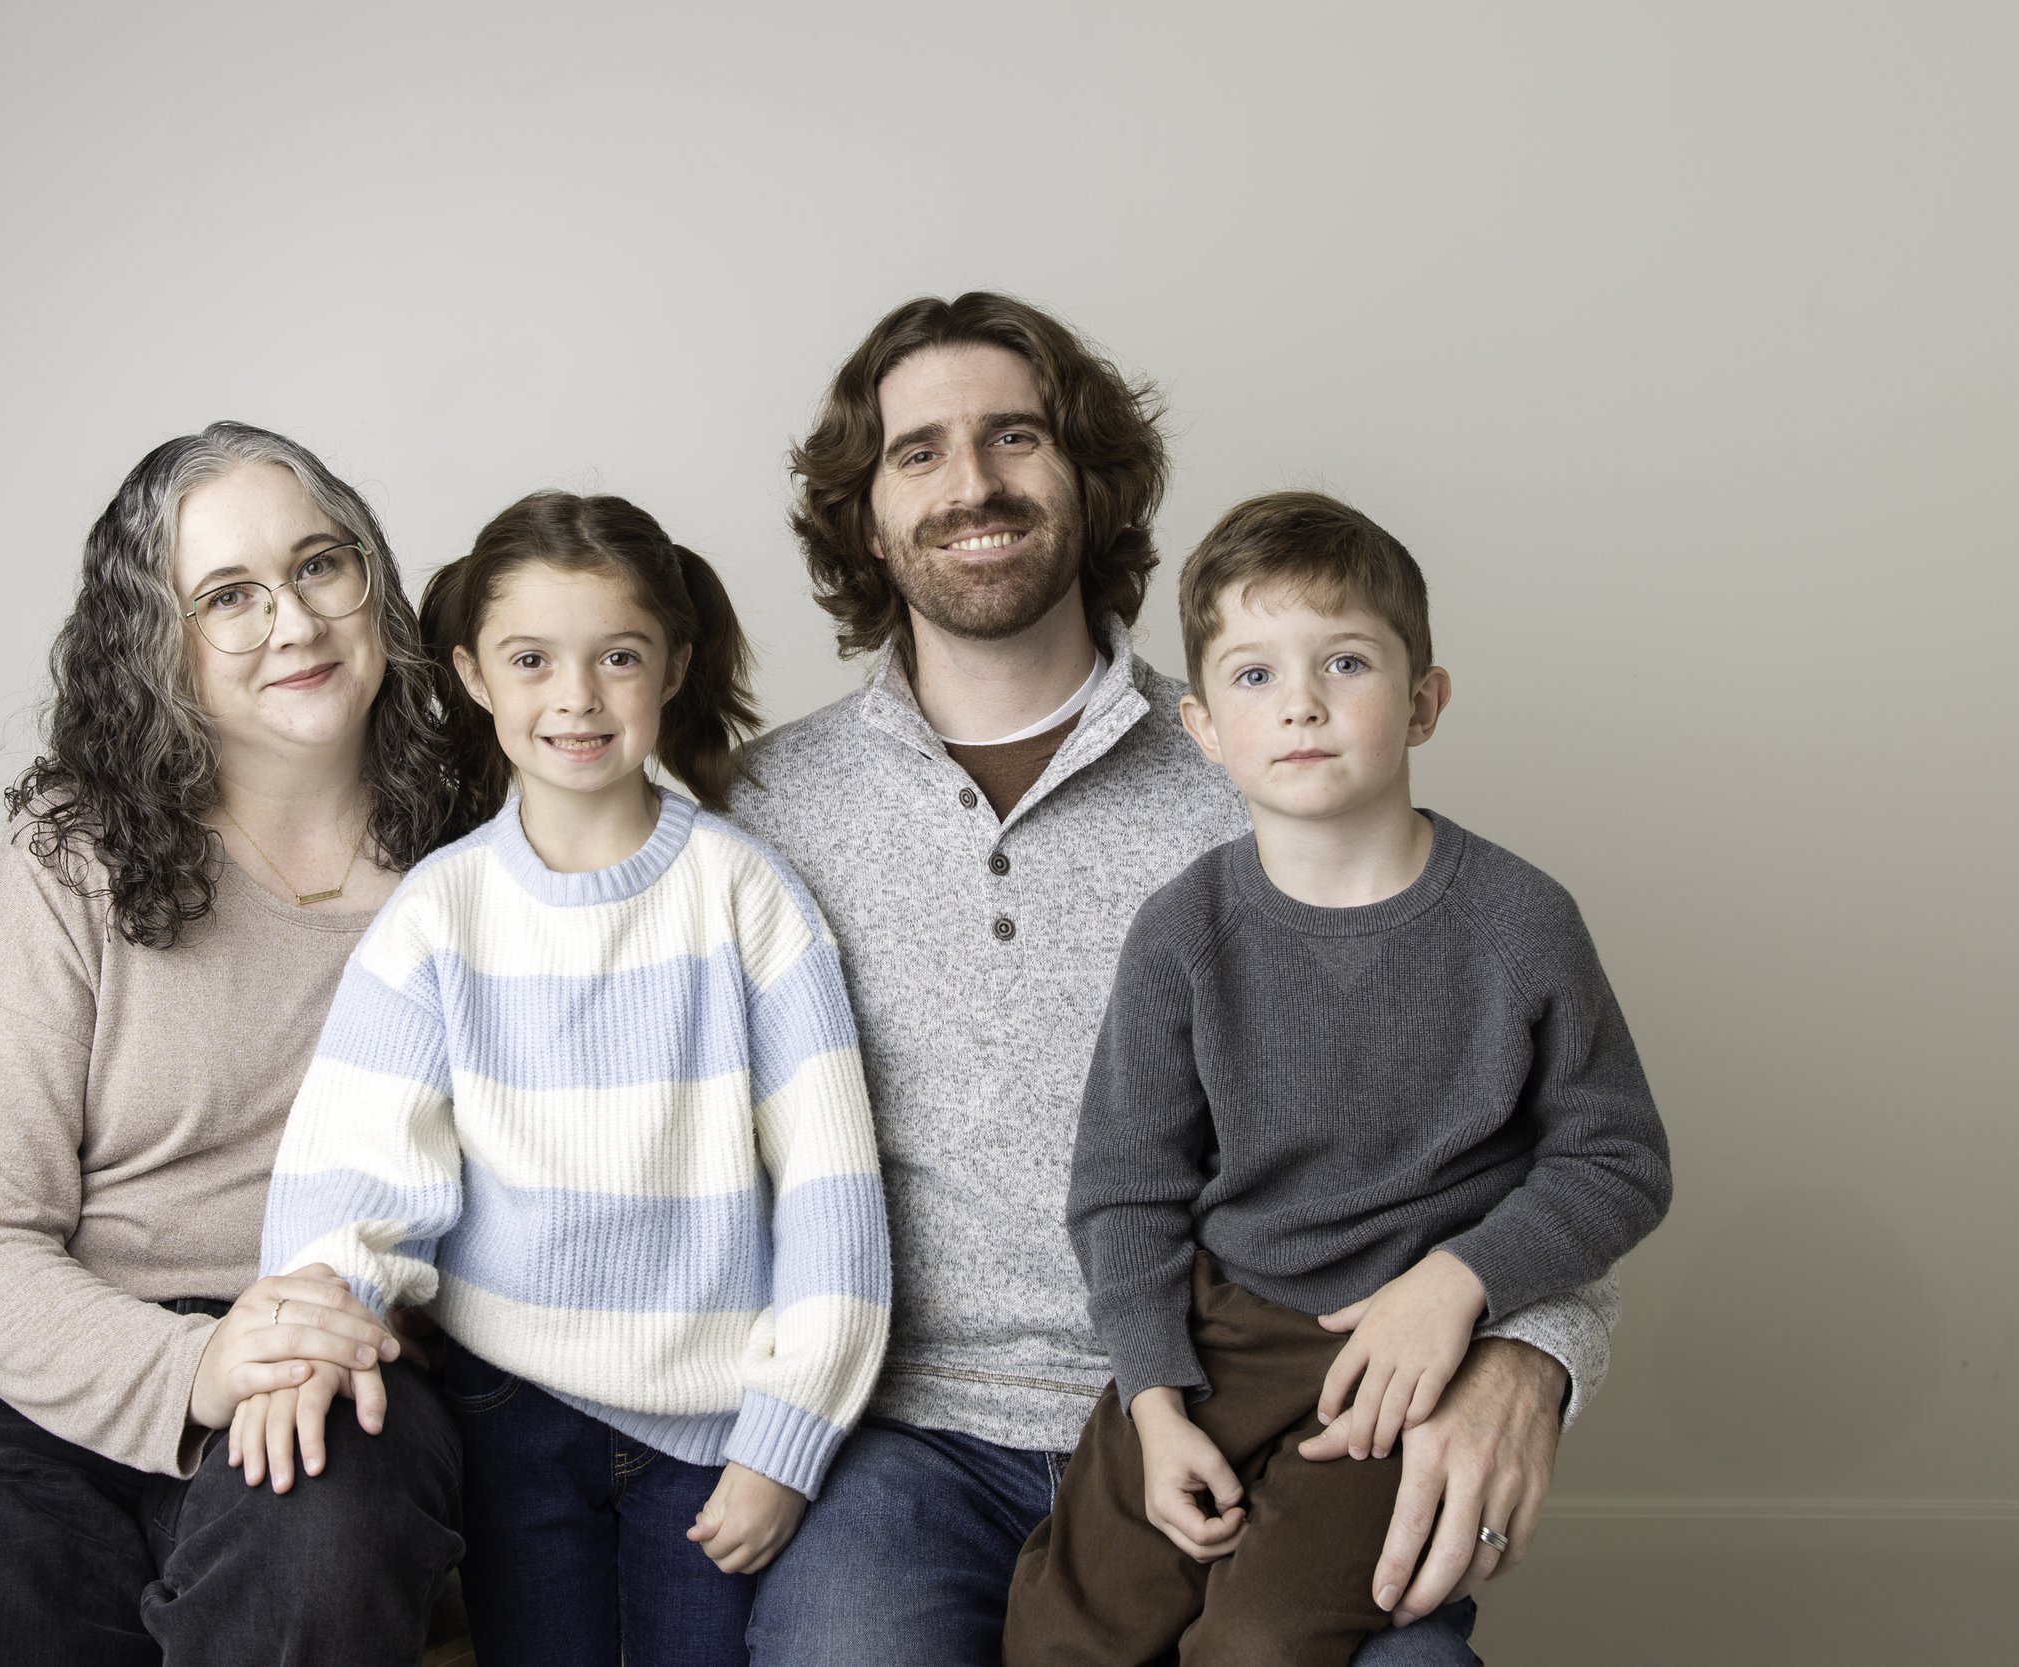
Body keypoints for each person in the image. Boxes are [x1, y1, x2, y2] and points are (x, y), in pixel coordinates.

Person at [726, 293, 1623, 1667]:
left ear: (1092, 476)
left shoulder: (1271, 762)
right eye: (918, 453)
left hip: (1274, 1414)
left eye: (1016, 436)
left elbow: (1527, 1137)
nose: (972, 482)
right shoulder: (771, 809)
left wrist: (1535, 1359)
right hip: (901, 1441)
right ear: (864, 516)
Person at [1000, 491, 1675, 1665]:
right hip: (1215, 1339)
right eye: (1254, 676)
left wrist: (1461, 1280)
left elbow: (1617, 1160)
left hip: (1400, 1365)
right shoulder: (1184, 929)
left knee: (1262, 1641)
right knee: (1063, 1632)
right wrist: (1154, 1398)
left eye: (1345, 661)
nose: (1301, 701)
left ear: (1423, 703)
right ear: (1203, 728)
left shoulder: (1518, 922)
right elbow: (1123, 1186)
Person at [0, 422, 468, 1666]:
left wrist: (305, 1333)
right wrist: (197, 1362)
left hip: (335, 1359)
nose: (291, 622)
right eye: (228, 597)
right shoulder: (69, 860)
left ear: (374, 583)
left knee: (318, 1563)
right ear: (161, 648)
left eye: (319, 567)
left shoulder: (484, 857)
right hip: (59, 1365)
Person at [248, 491, 892, 1667]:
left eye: (619, 657)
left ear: (674, 666)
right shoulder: (439, 912)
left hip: (715, 1425)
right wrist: (313, 1320)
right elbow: (352, 1165)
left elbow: (833, 1193)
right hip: (509, 1413)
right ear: (474, 673)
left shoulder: (746, 898)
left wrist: (786, 1439)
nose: (577, 697)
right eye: (531, 658)